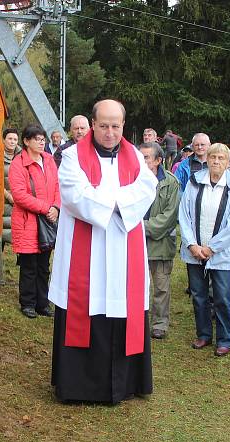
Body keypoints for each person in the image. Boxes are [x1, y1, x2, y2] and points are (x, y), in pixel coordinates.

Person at [49, 99, 157, 404]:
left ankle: (125, 384)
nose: (110, 133)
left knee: (123, 306)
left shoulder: (135, 157)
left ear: (123, 125)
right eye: (104, 125)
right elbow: (75, 195)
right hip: (85, 255)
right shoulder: (71, 157)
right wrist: (121, 201)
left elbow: (147, 189)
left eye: (116, 126)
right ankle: (79, 386)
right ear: (93, 125)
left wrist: (108, 200)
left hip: (124, 250)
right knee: (85, 306)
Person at [179, 143, 230, 355]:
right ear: (206, 158)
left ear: (228, 162)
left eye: (221, 158)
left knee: (222, 296)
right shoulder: (194, 182)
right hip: (195, 251)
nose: (216, 161)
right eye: (213, 157)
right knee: (199, 295)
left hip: (220, 253)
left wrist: (212, 248)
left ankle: (225, 338)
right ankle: (204, 334)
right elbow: (185, 215)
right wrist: (192, 245)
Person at [8, 125, 61, 318]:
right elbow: (19, 195)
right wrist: (46, 208)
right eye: (37, 139)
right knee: (29, 265)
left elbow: (57, 186)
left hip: (47, 221)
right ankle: (28, 303)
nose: (42, 142)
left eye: (43, 139)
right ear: (26, 141)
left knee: (43, 265)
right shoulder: (18, 164)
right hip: (27, 221)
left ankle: (42, 302)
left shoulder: (48, 160)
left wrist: (56, 207)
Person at [139, 141, 180, 340]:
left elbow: (169, 216)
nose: (142, 161)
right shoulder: (132, 179)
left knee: (161, 287)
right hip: (136, 244)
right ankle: (137, 320)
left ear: (158, 160)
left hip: (161, 244)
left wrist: (139, 227)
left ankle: (159, 324)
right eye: (140, 156)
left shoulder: (171, 183)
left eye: (146, 157)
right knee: (137, 285)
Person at [1, 128, 22, 245]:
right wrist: (8, 196)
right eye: (10, 138)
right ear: (4, 140)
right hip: (3, 198)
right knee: (1, 228)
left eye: (15, 139)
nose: (12, 142)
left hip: (19, 198)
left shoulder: (23, 156)